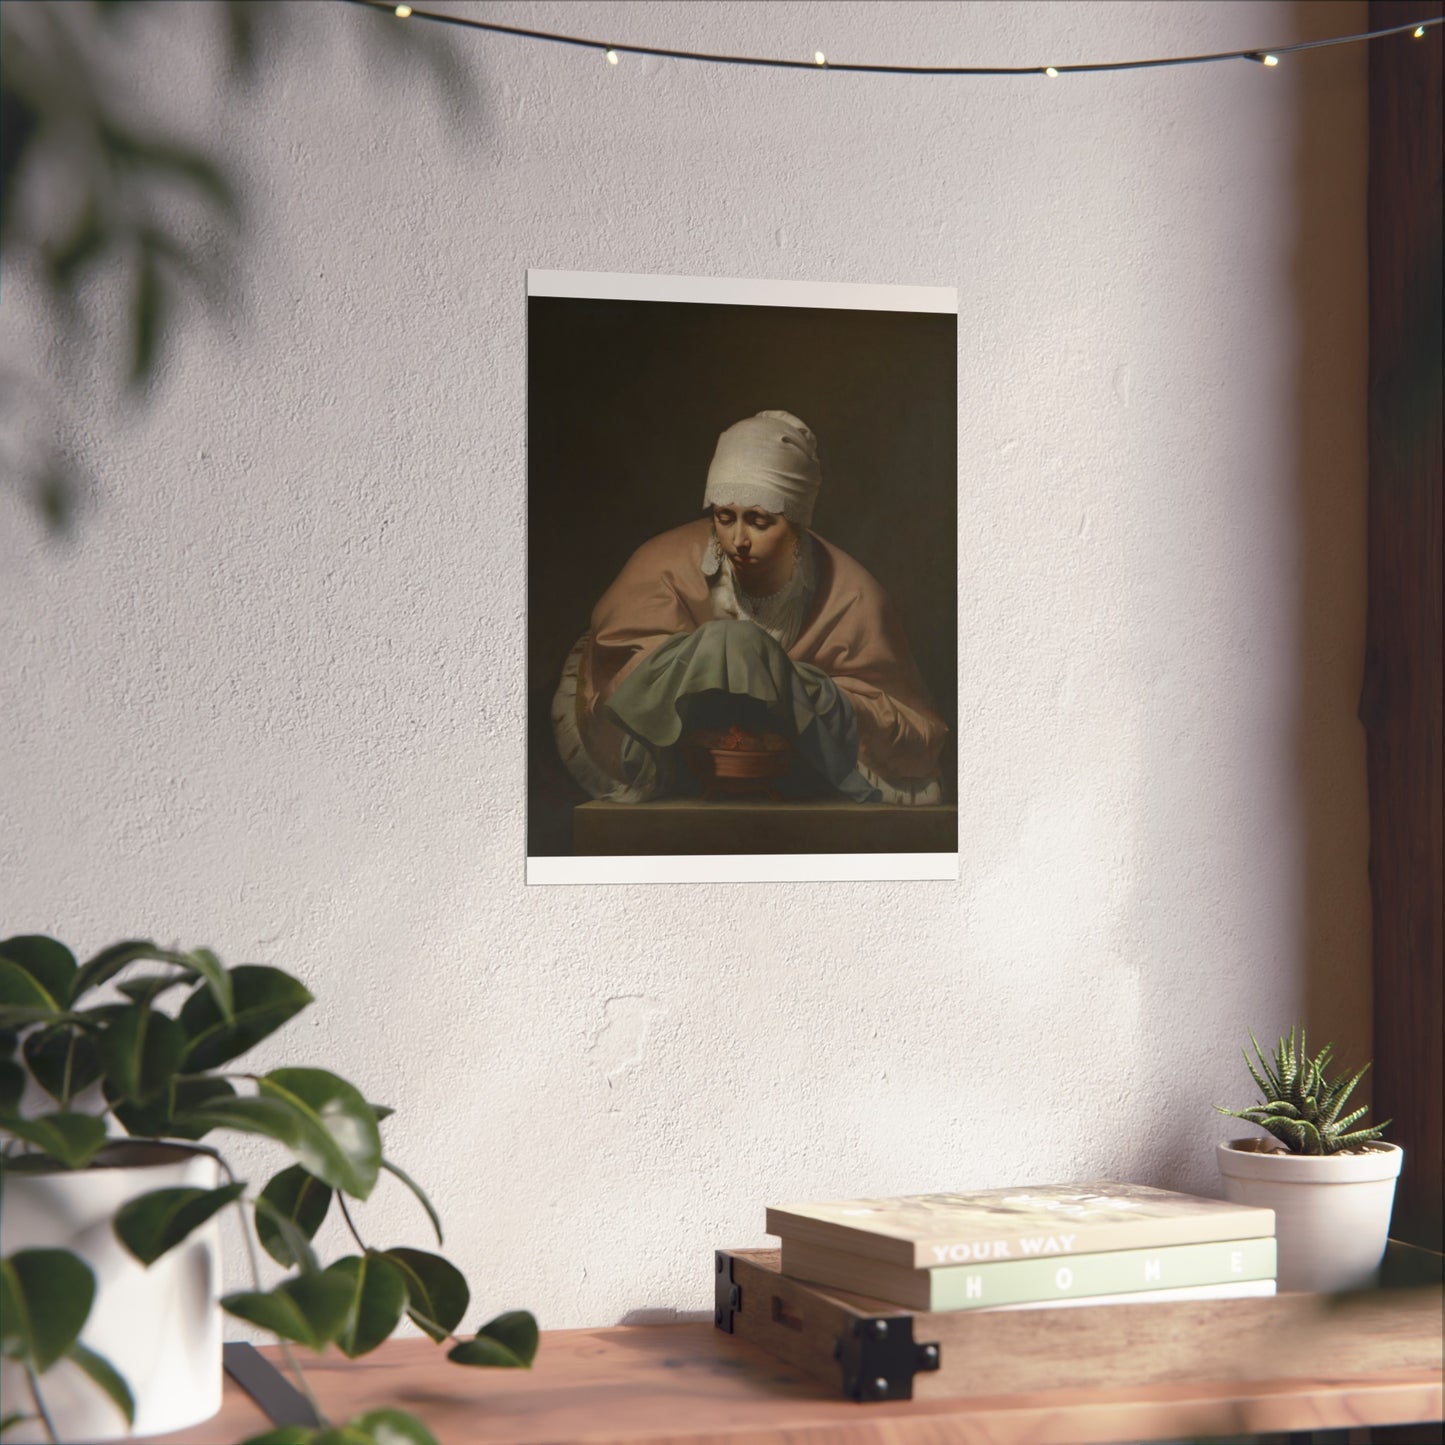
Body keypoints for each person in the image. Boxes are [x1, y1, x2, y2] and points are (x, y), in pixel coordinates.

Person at [552, 410, 948, 805]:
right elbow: (617, 677)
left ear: (796, 522)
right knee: (733, 639)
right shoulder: (661, 563)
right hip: (677, 755)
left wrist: (794, 684)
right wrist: (718, 653)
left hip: (794, 765)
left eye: (759, 521)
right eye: (725, 518)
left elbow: (910, 732)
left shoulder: (854, 594)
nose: (738, 540)